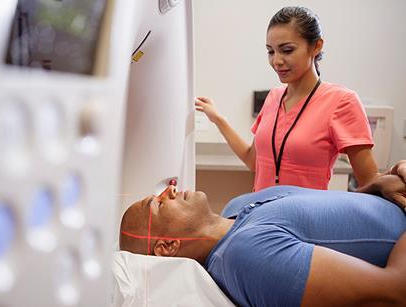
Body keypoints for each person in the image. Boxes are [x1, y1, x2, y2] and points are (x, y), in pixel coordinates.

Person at [119, 172, 406, 307]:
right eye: (157, 204)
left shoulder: (237, 207)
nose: (169, 189)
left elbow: (336, 224)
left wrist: (376, 187)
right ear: (167, 246)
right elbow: (395, 290)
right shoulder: (247, 256)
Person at [195, 6, 383, 192]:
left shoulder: (342, 101)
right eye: (271, 51)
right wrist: (218, 119)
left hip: (304, 219)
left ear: (316, 46)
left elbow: (369, 180)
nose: (276, 60)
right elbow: (254, 161)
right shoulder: (273, 97)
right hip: (262, 214)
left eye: (286, 50)